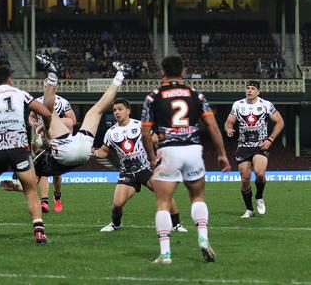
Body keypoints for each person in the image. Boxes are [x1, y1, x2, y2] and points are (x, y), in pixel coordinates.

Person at [141, 56, 230, 264]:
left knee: (163, 203)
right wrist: (222, 154)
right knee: (197, 197)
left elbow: (145, 133)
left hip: (169, 151)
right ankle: (203, 238)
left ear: (162, 72)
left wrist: (152, 157)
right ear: (183, 72)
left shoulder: (153, 97)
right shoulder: (196, 95)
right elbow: (213, 127)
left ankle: (166, 253)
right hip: (193, 150)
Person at [0, 65, 53, 244]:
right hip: (18, 149)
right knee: (30, 190)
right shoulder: (20, 93)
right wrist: (46, 129)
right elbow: (45, 112)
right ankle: (39, 230)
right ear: (9, 79)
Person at [93, 98, 186, 233]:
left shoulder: (139, 125)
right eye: (114, 110)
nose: (117, 112)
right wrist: (94, 152)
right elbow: (104, 151)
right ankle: (116, 224)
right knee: (117, 205)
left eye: (120, 109)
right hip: (127, 173)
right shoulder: (111, 132)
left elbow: (155, 140)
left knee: (164, 193)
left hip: (146, 169)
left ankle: (176, 224)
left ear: (128, 111)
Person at [32, 56, 128, 180]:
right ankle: (121, 74)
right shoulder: (39, 162)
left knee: (49, 112)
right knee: (97, 110)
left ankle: (120, 73)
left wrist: (42, 130)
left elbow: (33, 179)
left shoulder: (36, 165)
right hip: (80, 149)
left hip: (69, 150)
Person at [224, 81, 285, 218]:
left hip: (260, 145)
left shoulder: (265, 105)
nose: (249, 91)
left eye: (252, 88)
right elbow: (229, 122)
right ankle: (249, 209)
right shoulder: (238, 105)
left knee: (259, 172)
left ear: (258, 91)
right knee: (245, 179)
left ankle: (259, 197)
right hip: (243, 146)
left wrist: (270, 139)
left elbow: (280, 121)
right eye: (247, 88)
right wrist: (228, 128)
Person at [28, 92, 77, 213]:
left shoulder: (63, 102)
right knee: (43, 169)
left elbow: (72, 121)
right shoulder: (37, 101)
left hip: (57, 140)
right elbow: (31, 117)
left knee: (56, 174)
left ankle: (57, 197)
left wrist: (53, 122)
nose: (47, 89)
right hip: (41, 139)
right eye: (45, 87)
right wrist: (34, 125)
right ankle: (44, 201)